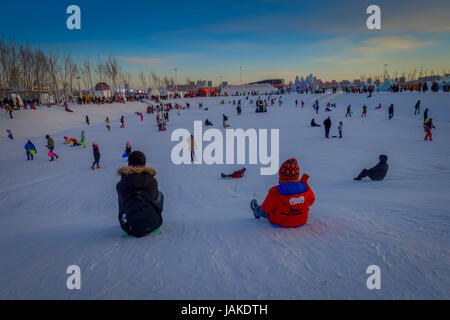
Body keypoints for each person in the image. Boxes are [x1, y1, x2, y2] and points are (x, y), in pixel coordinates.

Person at [250, 158, 315, 228]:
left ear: (281, 176)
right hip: (301, 221)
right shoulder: (305, 189)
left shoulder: (275, 191)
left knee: (262, 210)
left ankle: (256, 210)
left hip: (279, 222)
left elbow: (266, 208)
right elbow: (311, 201)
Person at [116, 151, 163, 238]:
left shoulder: (121, 183)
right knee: (159, 195)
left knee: (121, 199)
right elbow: (153, 197)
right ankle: (155, 221)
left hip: (129, 224)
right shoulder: (152, 181)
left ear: (129, 164)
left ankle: (125, 223)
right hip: (149, 220)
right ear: (144, 164)